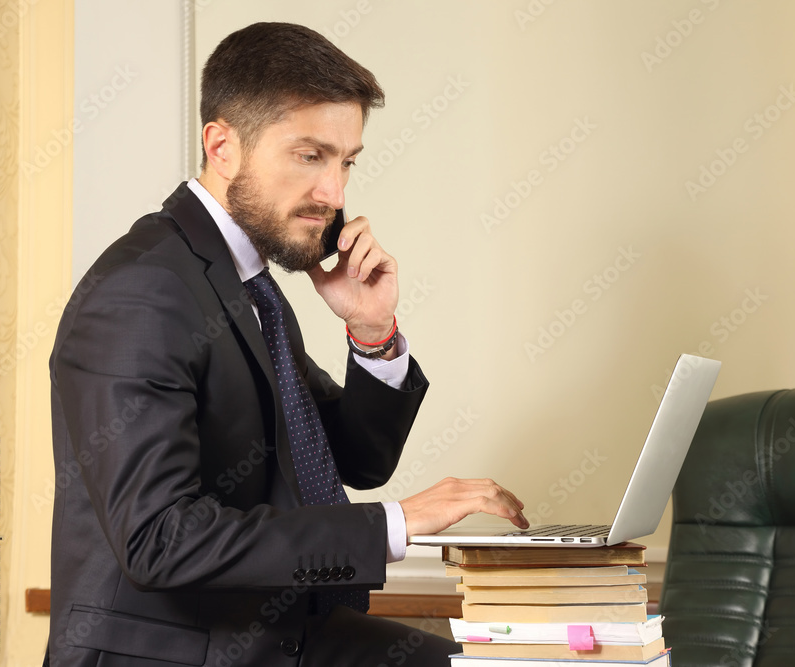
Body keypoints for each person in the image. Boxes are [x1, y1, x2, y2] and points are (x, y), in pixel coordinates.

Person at [45, 22, 528, 667]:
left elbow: (356, 461)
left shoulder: (244, 284)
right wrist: (397, 523)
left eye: (346, 161)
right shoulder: (144, 290)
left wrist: (373, 332)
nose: (335, 193)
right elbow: (158, 540)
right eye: (310, 156)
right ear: (222, 146)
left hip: (272, 635)